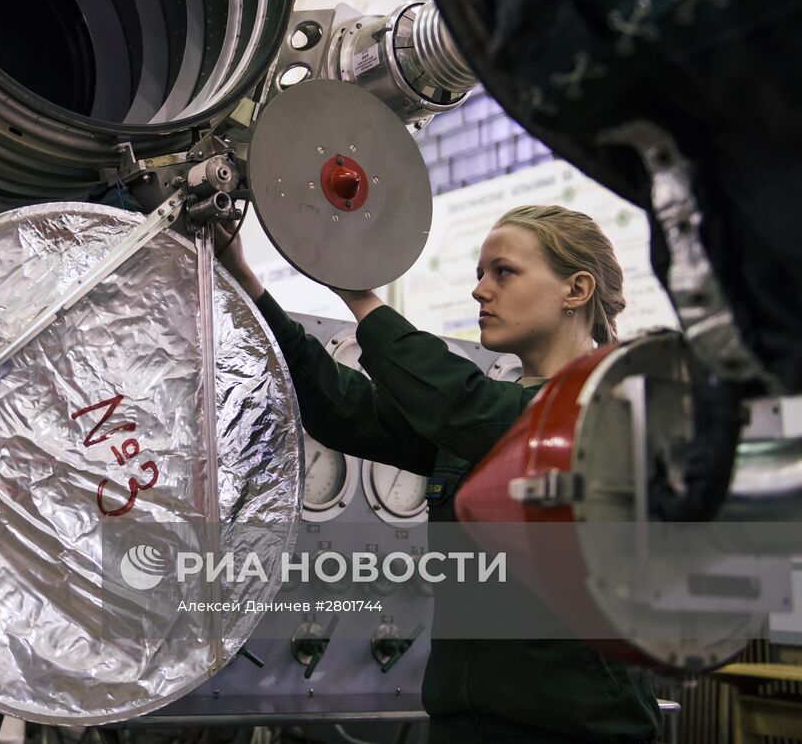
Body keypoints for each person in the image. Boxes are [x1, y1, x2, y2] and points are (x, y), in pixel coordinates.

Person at [218, 204, 663, 744]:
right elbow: (343, 407)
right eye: (478, 273)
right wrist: (248, 283)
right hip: (464, 722)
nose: (480, 290)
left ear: (577, 289)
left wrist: (360, 297)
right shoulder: (484, 415)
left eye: (503, 271)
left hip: (576, 727)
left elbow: (466, 407)